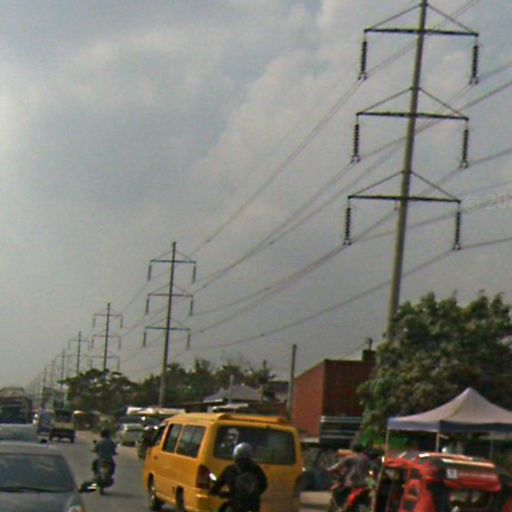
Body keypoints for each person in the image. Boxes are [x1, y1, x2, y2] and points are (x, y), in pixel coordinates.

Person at [209, 442, 268, 512]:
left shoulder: (230, 470)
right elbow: (264, 484)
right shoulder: (256, 469)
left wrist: (213, 491)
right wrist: (254, 494)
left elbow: (219, 483)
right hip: (252, 505)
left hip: (236, 504)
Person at [328, 444, 370, 509]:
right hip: (364, 484)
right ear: (362, 450)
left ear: (353, 450)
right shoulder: (366, 458)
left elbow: (336, 467)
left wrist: (330, 469)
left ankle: (341, 507)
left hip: (351, 483)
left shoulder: (350, 458)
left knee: (335, 490)